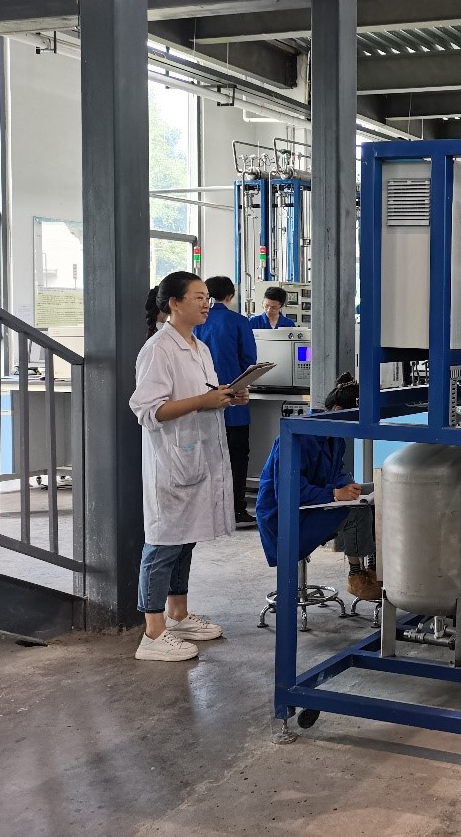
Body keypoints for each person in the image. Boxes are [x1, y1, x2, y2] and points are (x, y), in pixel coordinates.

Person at [129, 272, 245, 662]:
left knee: (185, 539)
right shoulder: (158, 349)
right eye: (198, 297)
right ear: (174, 303)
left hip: (196, 455)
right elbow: (148, 410)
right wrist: (202, 402)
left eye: (207, 297)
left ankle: (177, 615)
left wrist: (227, 396)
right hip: (171, 460)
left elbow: (203, 394)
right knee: (163, 543)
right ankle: (153, 633)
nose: (206, 303)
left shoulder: (200, 347)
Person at [256, 374, 379, 600]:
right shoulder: (298, 437)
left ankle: (374, 569)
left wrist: (350, 488)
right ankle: (356, 575)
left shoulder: (334, 437)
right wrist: (334, 493)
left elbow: (336, 473)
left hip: (313, 506)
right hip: (285, 517)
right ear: (338, 410)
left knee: (376, 499)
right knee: (356, 514)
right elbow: (288, 492)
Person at [195, 276, 258, 530]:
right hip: (234, 400)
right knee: (237, 456)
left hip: (201, 401)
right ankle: (236, 509)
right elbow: (249, 361)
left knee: (205, 457)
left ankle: (207, 510)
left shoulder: (197, 322)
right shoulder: (239, 322)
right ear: (230, 296)